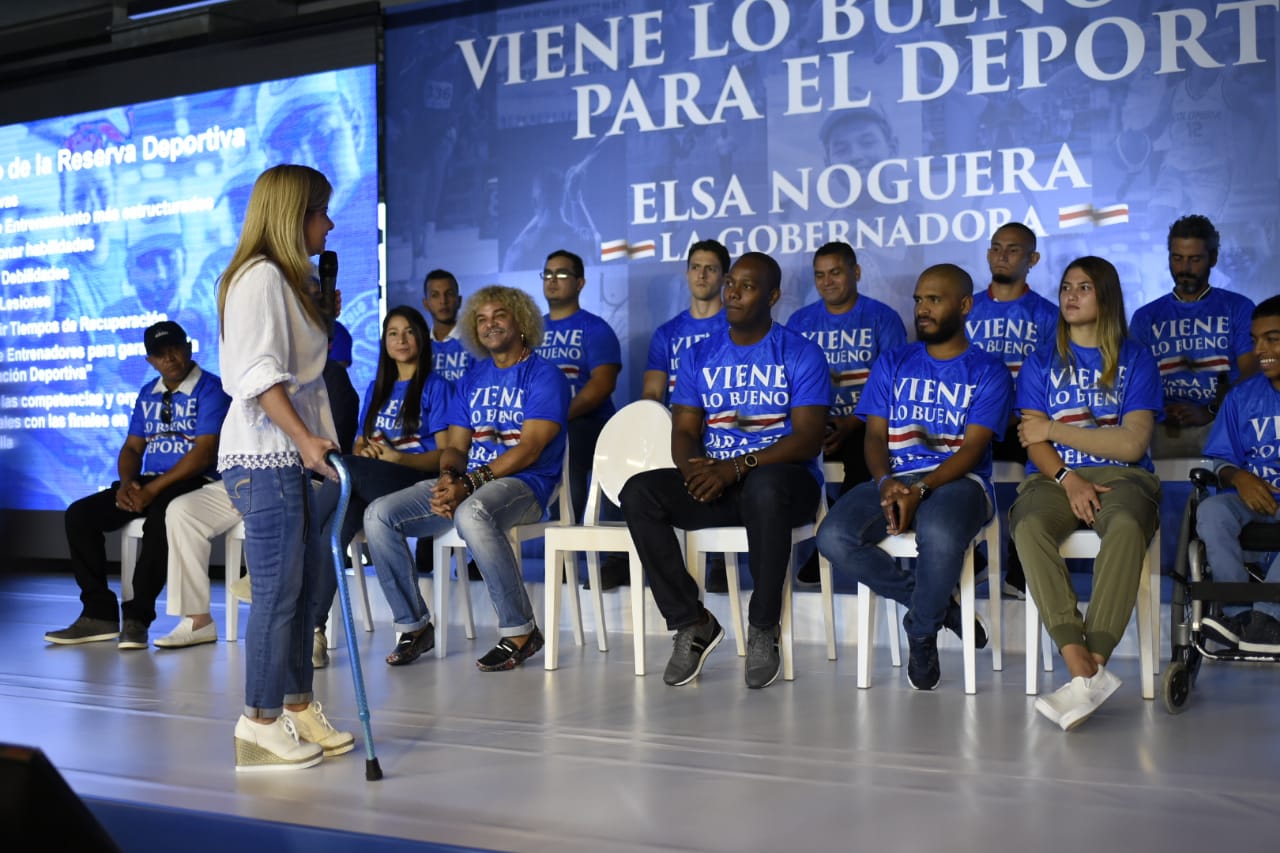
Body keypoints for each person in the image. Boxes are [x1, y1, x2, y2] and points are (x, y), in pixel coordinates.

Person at [620, 252, 830, 689]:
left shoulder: (801, 352)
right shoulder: (700, 355)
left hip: (785, 483)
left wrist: (738, 466)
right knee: (639, 491)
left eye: (747, 286)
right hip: (721, 479)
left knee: (766, 487)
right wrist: (694, 470)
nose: (732, 291)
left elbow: (808, 438)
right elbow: (683, 428)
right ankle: (692, 621)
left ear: (772, 296)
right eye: (731, 282)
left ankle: (762, 628)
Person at [816, 264, 1013, 690]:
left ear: (964, 306)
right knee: (832, 536)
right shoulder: (894, 361)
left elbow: (974, 450)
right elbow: (874, 435)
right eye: (919, 300)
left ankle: (921, 631)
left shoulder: (988, 370)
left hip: (960, 483)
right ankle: (938, 609)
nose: (922, 309)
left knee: (940, 533)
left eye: (934, 300)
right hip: (897, 476)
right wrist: (886, 482)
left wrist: (921, 489)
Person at [217, 163, 354, 771]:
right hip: (266, 455)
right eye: (320, 211)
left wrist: (323, 318)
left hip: (291, 455)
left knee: (300, 593)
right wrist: (303, 439)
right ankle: (258, 722)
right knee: (276, 593)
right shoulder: (259, 277)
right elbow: (258, 375)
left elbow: (301, 373)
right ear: (292, 215)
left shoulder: (289, 281)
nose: (329, 223)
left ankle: (296, 706)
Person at [363, 285, 570, 670]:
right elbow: (456, 446)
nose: (490, 325)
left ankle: (520, 630)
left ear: (521, 321)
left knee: (471, 512)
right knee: (379, 514)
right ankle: (414, 625)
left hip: (527, 484)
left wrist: (468, 485)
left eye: (499, 316)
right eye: (481, 319)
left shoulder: (545, 376)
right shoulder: (473, 378)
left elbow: (531, 449)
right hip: (472, 481)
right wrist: (447, 478)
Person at [1010, 256, 1163, 731]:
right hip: (1055, 478)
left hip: (1126, 478)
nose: (1071, 297)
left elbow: (1131, 443)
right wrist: (1067, 478)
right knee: (1029, 524)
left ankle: (1092, 661)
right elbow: (1032, 445)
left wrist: (1055, 426)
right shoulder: (1040, 362)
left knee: (1124, 525)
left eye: (1085, 288)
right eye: (1066, 288)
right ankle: (1079, 661)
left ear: (1107, 297)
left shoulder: (1135, 359)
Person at [45, 321, 230, 649]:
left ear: (188, 346)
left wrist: (152, 490)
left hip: (195, 481)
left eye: (174, 348)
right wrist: (128, 485)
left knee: (163, 515)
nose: (169, 358)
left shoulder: (212, 389)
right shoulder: (148, 393)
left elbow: (203, 454)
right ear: (150, 361)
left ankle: (137, 619)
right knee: (79, 515)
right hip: (149, 481)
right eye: (160, 354)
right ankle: (98, 614)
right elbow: (132, 448)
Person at [308, 306, 453, 665]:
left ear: (421, 338)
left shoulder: (438, 387)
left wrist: (399, 459)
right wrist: (365, 448)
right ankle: (313, 632)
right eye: (392, 333)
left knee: (344, 469)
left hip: (414, 481)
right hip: (372, 479)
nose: (400, 340)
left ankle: (295, 543)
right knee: (337, 529)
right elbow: (360, 442)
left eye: (408, 332)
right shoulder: (377, 387)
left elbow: (446, 455)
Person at [965, 221, 1059, 596]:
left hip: (1025, 421)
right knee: (950, 465)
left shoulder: (1049, 315)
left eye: (1013, 249)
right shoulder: (967, 308)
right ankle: (970, 557)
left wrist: (1026, 413)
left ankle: (1021, 569)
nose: (1002, 255)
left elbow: (1056, 378)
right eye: (996, 247)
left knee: (1040, 471)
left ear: (1032, 259)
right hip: (974, 422)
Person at [1131, 215, 1257, 458]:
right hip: (1162, 425)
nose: (1184, 268)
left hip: (1224, 420)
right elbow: (1135, 381)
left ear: (1213, 258)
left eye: (1194, 259)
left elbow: (1251, 371)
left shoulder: (1238, 308)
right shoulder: (1145, 317)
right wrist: (1158, 412)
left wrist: (1211, 410)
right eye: (1177, 258)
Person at [1195, 296, 1280, 652]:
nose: (1259, 349)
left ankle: (1267, 617)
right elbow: (1219, 459)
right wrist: (1239, 477)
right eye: (1255, 339)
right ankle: (1237, 615)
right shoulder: (1242, 396)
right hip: (1254, 498)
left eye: (1272, 338)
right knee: (1211, 511)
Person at [534, 249, 621, 526]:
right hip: (543, 426)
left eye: (561, 274)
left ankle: (593, 558)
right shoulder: (531, 332)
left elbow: (603, 383)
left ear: (580, 283)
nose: (552, 279)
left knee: (567, 446)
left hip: (587, 425)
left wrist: (560, 416)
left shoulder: (595, 328)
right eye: (547, 274)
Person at [642, 239, 729, 405]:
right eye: (695, 267)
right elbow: (652, 393)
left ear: (725, 278)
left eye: (710, 269)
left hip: (721, 426)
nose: (701, 275)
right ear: (687, 273)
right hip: (676, 426)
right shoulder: (666, 334)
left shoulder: (738, 328)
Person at [423, 269, 473, 384]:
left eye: (449, 294)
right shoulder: (419, 345)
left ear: (459, 301)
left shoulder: (475, 341)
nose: (443, 301)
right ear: (426, 304)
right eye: (435, 295)